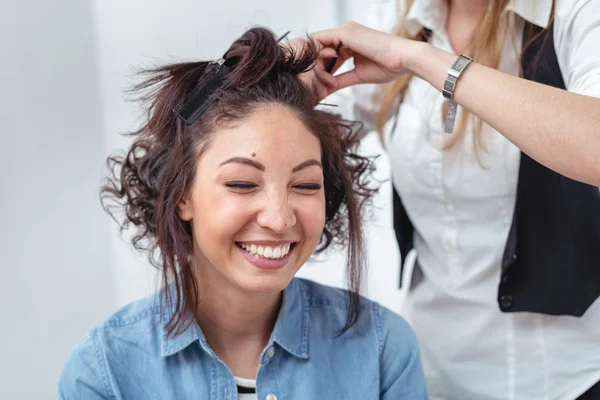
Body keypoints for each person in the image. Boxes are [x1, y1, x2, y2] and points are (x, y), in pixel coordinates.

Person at [57, 27, 428, 400]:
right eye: (242, 184)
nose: (280, 219)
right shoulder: (104, 373)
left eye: (305, 186)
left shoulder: (382, 350)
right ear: (182, 195)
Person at [300, 0, 600, 399]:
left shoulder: (574, 13)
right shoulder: (399, 15)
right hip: (426, 372)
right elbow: (316, 126)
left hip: (559, 380)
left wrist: (422, 59)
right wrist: (283, 70)